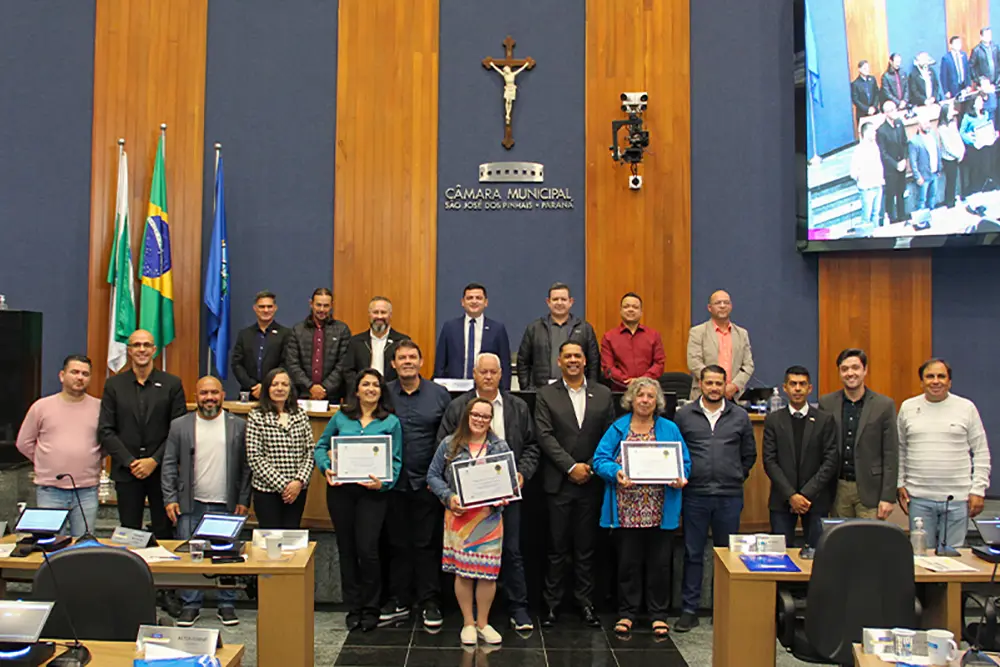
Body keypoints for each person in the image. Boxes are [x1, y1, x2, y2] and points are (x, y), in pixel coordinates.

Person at [436, 352, 538, 630]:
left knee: (512, 551)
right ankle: (468, 619)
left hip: (505, 494)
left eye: (494, 372)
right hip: (465, 503)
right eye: (484, 372)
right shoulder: (458, 406)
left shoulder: (517, 406)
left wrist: (521, 474)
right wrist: (451, 493)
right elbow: (443, 450)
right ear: (475, 373)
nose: (489, 377)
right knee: (465, 560)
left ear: (502, 374)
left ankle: (518, 608)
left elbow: (531, 447)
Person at [592, 377, 690, 638]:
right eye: (640, 395)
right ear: (631, 400)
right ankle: (627, 613)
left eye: (650, 396)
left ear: (657, 401)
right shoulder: (617, 428)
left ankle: (659, 615)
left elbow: (685, 461)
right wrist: (617, 472)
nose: (645, 400)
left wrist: (681, 476)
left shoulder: (669, 428)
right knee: (628, 564)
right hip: (626, 510)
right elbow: (599, 460)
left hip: (661, 509)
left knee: (660, 565)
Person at [535, 341, 616, 628]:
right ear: (559, 361)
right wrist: (570, 466)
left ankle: (586, 604)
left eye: (577, 356)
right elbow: (544, 435)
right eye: (567, 356)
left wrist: (590, 467)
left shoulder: (604, 394)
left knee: (586, 548)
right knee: (556, 548)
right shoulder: (546, 394)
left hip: (591, 482)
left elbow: (610, 436)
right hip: (559, 482)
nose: (572, 360)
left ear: (585, 361)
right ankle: (552, 605)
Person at [316, 369, 402, 632]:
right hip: (342, 492)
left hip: (373, 495)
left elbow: (396, 462)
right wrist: (326, 467)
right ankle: (353, 607)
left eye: (376, 385)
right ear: (356, 390)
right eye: (366, 384)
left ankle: (371, 607)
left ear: (381, 391)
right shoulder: (341, 417)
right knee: (348, 549)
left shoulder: (390, 422)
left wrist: (384, 483)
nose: (371, 389)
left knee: (368, 550)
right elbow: (320, 446)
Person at [161, 376, 251, 627]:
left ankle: (227, 604)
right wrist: (169, 498)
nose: (209, 397)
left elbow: (246, 467)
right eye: (203, 393)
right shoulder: (180, 425)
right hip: (191, 503)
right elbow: (168, 464)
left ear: (223, 395)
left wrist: (244, 498)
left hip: (227, 502)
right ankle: (190, 605)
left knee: (227, 555)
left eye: (214, 393)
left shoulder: (238, 425)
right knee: (191, 556)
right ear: (196, 396)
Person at [672, 365, 756, 632]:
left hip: (729, 495)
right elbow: (676, 451)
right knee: (693, 552)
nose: (714, 388)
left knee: (727, 555)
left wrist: (734, 476)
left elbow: (749, 455)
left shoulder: (740, 416)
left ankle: (725, 607)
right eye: (709, 383)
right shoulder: (684, 416)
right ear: (700, 383)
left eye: (719, 383)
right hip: (695, 494)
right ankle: (689, 609)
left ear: (725, 385)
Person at [426, 398, 516, 646]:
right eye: (476, 415)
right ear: (467, 416)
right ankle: (467, 623)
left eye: (485, 417)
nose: (480, 420)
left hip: (489, 519)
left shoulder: (499, 446)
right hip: (458, 518)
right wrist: (448, 497)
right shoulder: (450, 444)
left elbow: (509, 480)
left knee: (487, 574)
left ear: (491, 420)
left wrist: (504, 496)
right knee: (463, 574)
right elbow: (432, 476)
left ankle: (483, 623)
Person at [382, 341, 452, 629]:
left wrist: (438, 479)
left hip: (427, 483)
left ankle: (429, 601)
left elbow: (448, 438)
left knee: (426, 544)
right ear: (394, 364)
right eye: (402, 357)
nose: (407, 361)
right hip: (391, 483)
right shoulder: (383, 393)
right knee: (396, 544)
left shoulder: (439, 395)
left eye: (413, 356)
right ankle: (399, 599)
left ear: (421, 362)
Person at [99, 329, 186, 539]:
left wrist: (154, 461)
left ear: (154, 350)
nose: (141, 349)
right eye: (136, 345)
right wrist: (131, 462)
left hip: (162, 472)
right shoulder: (114, 385)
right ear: (129, 350)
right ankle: (132, 572)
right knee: (129, 531)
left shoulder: (171, 384)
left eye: (146, 345)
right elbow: (106, 430)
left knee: (164, 530)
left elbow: (178, 430)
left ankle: (163, 571)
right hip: (127, 472)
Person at [897, 359, 991, 548]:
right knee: (921, 558)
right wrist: (900, 483)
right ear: (921, 382)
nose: (936, 381)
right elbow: (900, 450)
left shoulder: (966, 408)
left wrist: (978, 490)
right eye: (930, 376)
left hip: (957, 499)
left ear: (950, 382)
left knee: (954, 558)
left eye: (941, 376)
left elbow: (981, 451)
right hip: (919, 498)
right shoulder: (907, 408)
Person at [15, 355, 101, 538]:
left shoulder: (100, 408)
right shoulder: (41, 407)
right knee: (50, 543)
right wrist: (45, 460)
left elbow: (107, 443)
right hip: (50, 490)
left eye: (85, 374)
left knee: (85, 545)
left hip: (86, 491)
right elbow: (24, 442)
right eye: (75, 372)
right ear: (62, 375)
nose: (80, 377)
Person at [819, 349, 899, 520]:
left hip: (871, 490)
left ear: (865, 370)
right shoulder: (826, 403)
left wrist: (888, 496)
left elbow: (891, 454)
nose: (850, 373)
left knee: (869, 543)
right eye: (845, 369)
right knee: (840, 542)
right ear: (839, 373)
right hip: (838, 489)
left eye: (855, 367)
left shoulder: (883, 405)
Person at [762, 366, 837, 548]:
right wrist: (791, 495)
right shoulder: (773, 419)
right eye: (793, 384)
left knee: (817, 556)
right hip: (782, 499)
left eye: (802, 384)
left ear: (809, 388)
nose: (797, 388)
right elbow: (770, 461)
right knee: (780, 556)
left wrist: (804, 495)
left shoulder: (824, 420)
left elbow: (830, 460)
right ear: (785, 388)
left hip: (815, 499)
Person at [245, 367, 315, 528]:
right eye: (274, 384)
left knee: (292, 538)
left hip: (298, 491)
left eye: (285, 384)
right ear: (267, 388)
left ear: (290, 389)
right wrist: (284, 486)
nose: (280, 388)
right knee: (270, 540)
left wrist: (298, 482)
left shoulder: (300, 415)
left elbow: (310, 451)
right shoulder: (256, 416)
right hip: (267, 491)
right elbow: (255, 457)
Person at [517, 282, 600, 389]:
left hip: (576, 389)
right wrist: (526, 388)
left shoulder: (585, 329)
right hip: (542, 390)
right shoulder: (534, 328)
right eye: (555, 299)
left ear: (571, 302)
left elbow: (594, 363)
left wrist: (591, 388)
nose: (559, 303)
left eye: (563, 299)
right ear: (548, 302)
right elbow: (523, 361)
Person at [434, 283, 512, 391]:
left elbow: (505, 365)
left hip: (486, 390)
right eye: (470, 298)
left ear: (486, 302)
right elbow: (440, 363)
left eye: (479, 298)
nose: (474, 301)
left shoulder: (497, 329)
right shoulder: (450, 327)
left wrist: (505, 392)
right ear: (463, 302)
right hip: (454, 389)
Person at [284, 288, 352, 403]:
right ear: (311, 304)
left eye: (326, 306)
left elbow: (343, 364)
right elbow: (292, 363)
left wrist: (324, 388)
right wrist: (310, 387)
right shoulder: (298, 330)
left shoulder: (342, 330)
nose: (322, 309)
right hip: (302, 394)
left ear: (332, 306)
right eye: (318, 305)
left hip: (332, 396)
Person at [686, 290, 754, 400]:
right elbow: (694, 362)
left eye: (726, 303)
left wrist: (734, 386)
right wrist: (716, 384)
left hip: (733, 396)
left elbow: (748, 365)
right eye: (718, 303)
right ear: (709, 307)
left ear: (731, 306)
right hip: (704, 395)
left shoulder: (742, 334)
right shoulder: (698, 332)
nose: (722, 306)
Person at [340, 296, 410, 390]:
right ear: (369, 314)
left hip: (393, 395)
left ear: (390, 315)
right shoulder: (355, 342)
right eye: (375, 312)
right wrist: (361, 388)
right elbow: (348, 371)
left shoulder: (402, 341)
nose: (379, 316)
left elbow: (406, 370)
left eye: (383, 312)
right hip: (362, 396)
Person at [600, 292, 665, 392]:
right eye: (626, 306)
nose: (630, 309)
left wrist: (642, 381)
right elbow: (608, 367)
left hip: (648, 391)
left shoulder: (653, 335)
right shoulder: (609, 337)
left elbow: (659, 363)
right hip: (620, 391)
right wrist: (627, 381)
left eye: (635, 307)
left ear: (641, 312)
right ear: (620, 311)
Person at [231, 291, 289, 399]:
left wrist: (267, 386)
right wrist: (252, 386)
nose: (266, 310)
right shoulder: (244, 335)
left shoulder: (286, 334)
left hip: (275, 393)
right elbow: (237, 364)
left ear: (275, 308)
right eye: (262, 307)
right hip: (249, 392)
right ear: (255, 308)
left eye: (269, 306)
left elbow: (285, 364)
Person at [876, 100, 909, 223]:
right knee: (891, 194)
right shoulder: (881, 130)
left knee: (901, 191)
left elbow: (905, 143)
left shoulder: (899, 123)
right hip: (891, 168)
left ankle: (902, 215)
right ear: (886, 113)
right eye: (891, 110)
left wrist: (905, 159)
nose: (894, 112)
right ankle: (892, 217)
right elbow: (883, 153)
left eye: (895, 109)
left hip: (902, 164)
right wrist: (895, 164)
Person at [850, 122, 885, 229]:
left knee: (876, 214)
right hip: (867, 189)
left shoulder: (875, 147)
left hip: (877, 185)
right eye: (873, 131)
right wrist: (863, 178)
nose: (875, 133)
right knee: (866, 217)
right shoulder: (858, 150)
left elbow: (879, 164)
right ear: (866, 132)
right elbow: (853, 172)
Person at [961, 93, 997, 194]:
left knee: (986, 167)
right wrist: (971, 139)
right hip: (975, 148)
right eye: (979, 101)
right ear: (973, 104)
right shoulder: (967, 117)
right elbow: (962, 133)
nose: (981, 103)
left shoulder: (985, 114)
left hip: (985, 146)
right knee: (976, 170)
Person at [908, 112, 942, 210]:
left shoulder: (933, 135)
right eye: (925, 123)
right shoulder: (914, 141)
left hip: (934, 173)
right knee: (922, 200)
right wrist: (917, 176)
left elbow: (937, 152)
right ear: (919, 126)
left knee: (933, 198)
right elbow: (913, 162)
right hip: (923, 176)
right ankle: (921, 222)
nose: (928, 125)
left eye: (928, 123)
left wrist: (939, 168)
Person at [938, 104, 966, 208]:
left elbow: (957, 138)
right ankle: (949, 202)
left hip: (957, 156)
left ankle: (954, 198)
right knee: (950, 180)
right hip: (948, 158)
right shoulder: (942, 128)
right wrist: (958, 155)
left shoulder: (952, 124)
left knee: (955, 180)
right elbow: (947, 146)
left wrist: (962, 151)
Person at [941, 36, 971, 100]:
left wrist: (969, 85)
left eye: (959, 43)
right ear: (951, 45)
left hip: (964, 86)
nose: (958, 45)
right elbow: (943, 76)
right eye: (956, 43)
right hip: (953, 88)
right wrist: (946, 91)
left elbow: (967, 71)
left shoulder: (964, 55)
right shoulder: (946, 58)